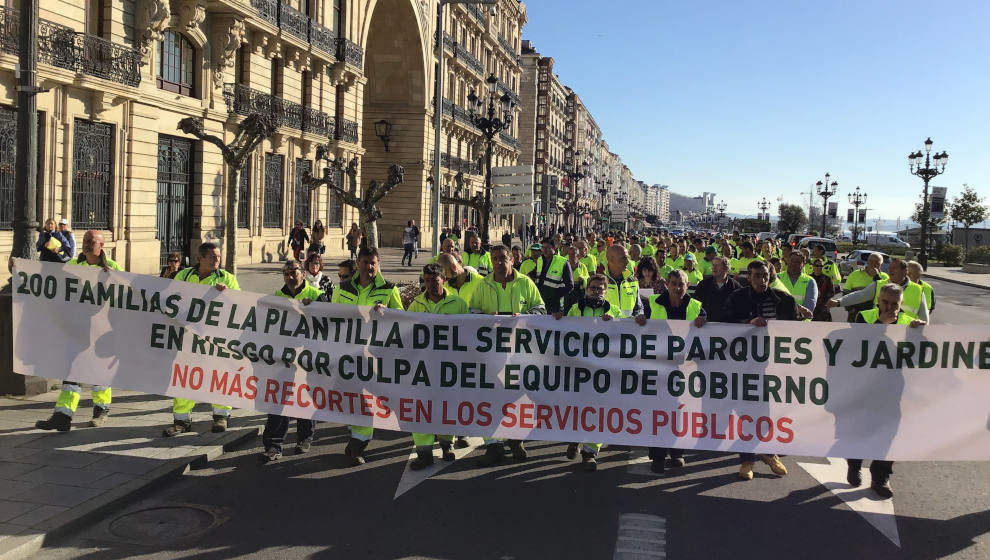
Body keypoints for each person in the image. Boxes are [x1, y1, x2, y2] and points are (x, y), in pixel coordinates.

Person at [35, 231, 120, 432]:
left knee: (99, 371)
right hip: (76, 329)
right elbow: (51, 279)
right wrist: (19, 269)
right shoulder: (73, 265)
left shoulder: (114, 268)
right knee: (71, 372)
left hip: (100, 331)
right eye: (86, 241)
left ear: (102, 245)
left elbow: (127, 295)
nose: (88, 244)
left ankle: (101, 409)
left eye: (92, 242)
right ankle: (63, 415)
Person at [846, 283, 925, 498]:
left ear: (901, 304)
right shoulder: (865, 316)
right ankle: (854, 464)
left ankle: (880, 477)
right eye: (885, 303)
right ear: (878, 301)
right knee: (859, 431)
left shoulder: (909, 322)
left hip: (893, 389)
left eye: (895, 304)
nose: (890, 307)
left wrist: (919, 334)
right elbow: (856, 347)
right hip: (864, 387)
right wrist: (881, 324)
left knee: (890, 435)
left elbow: (921, 356)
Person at [469, 244, 545, 466]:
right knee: (490, 397)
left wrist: (524, 316)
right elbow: (471, 313)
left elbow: (541, 310)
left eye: (503, 258)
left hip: (519, 354)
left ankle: (515, 439)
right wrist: (485, 320)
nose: (498, 263)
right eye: (494, 259)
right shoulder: (483, 285)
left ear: (512, 260)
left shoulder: (526, 284)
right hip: (491, 354)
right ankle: (493, 445)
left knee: (518, 398)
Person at [331, 247, 404, 465]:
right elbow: (331, 317)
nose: (369, 267)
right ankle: (356, 436)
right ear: (357, 263)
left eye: (373, 263)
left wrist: (388, 313)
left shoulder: (390, 290)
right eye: (365, 262)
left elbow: (403, 319)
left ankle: (358, 444)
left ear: (378, 264)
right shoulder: (342, 289)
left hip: (375, 356)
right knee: (351, 398)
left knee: (367, 399)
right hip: (347, 355)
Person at [725, 260, 796, 480]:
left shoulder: (783, 300)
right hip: (744, 366)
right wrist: (747, 322)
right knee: (745, 412)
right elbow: (723, 324)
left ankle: (768, 452)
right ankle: (747, 460)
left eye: (765, 275)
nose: (762, 280)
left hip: (774, 366)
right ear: (749, 277)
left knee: (769, 412)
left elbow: (795, 330)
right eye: (757, 275)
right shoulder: (737, 299)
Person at [164, 243, 240, 436]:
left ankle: (221, 416)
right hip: (189, 336)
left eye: (219, 257)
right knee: (185, 376)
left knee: (218, 374)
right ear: (201, 258)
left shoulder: (227, 279)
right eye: (213, 257)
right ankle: (181, 420)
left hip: (215, 338)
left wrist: (226, 294)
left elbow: (240, 306)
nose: (217, 260)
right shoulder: (185, 276)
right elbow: (172, 297)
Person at [406, 263, 470, 470]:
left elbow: (470, 334)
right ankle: (424, 452)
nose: (431, 284)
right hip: (422, 366)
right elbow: (405, 332)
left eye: (435, 280)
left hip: (449, 367)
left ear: (444, 280)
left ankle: (446, 445)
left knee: (446, 405)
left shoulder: (458, 304)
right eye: (427, 280)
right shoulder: (416, 304)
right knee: (421, 407)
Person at [260, 260, 324, 462]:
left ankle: (304, 438)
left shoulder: (317, 296)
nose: (290, 276)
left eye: (293, 272)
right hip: (283, 358)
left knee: (304, 397)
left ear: (303, 274)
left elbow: (330, 323)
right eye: (286, 273)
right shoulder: (276, 298)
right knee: (278, 400)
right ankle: (273, 445)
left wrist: (315, 308)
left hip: (308, 357)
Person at [645, 270, 707, 472]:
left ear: (687, 286)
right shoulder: (653, 303)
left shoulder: (696, 307)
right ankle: (657, 457)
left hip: (685, 370)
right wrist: (639, 319)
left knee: (681, 412)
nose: (677, 288)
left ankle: (677, 453)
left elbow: (709, 329)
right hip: (659, 367)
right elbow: (640, 322)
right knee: (659, 412)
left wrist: (703, 321)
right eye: (673, 284)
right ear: (667, 285)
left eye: (681, 284)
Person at [553, 274, 616, 471]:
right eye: (593, 288)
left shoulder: (612, 311)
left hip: (601, 370)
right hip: (578, 367)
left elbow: (623, 336)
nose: (596, 291)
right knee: (576, 407)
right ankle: (575, 439)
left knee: (599, 410)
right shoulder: (576, 308)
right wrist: (558, 319)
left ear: (606, 292)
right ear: (587, 289)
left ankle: (590, 452)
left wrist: (614, 323)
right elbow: (564, 330)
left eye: (600, 289)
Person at [828, 258, 928, 322]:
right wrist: (838, 302)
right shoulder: (879, 284)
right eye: (889, 268)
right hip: (877, 330)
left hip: (903, 336)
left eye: (894, 268)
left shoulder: (918, 290)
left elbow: (924, 317)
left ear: (905, 271)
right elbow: (860, 295)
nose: (889, 270)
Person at [603, 245, 647, 324]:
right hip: (606, 329)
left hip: (628, 330)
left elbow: (638, 308)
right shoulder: (599, 282)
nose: (627, 261)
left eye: (627, 258)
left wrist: (639, 315)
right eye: (624, 258)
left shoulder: (632, 281)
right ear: (611, 260)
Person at [842, 252, 888, 322]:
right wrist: (850, 309)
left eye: (876, 262)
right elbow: (846, 292)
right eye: (871, 261)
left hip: (876, 316)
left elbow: (887, 294)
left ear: (881, 264)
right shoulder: (855, 274)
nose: (873, 264)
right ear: (867, 261)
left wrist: (877, 277)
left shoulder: (885, 277)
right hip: (855, 314)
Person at [692, 256, 740, 323]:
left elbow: (741, 308)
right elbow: (694, 304)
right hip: (706, 326)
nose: (713, 268)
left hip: (729, 328)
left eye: (717, 265)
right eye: (713, 265)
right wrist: (700, 317)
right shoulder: (703, 285)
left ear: (726, 268)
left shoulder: (736, 287)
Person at [532, 238, 573, 314]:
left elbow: (570, 285)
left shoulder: (563, 262)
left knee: (553, 325)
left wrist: (556, 295)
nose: (544, 250)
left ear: (554, 247)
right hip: (540, 301)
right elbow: (535, 273)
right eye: (543, 247)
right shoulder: (540, 260)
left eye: (547, 247)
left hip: (555, 304)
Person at [778, 251, 818, 320]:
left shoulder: (810, 281)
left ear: (804, 264)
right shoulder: (777, 278)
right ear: (787, 261)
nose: (794, 264)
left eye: (798, 262)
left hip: (801, 323)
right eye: (792, 261)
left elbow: (809, 307)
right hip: (780, 322)